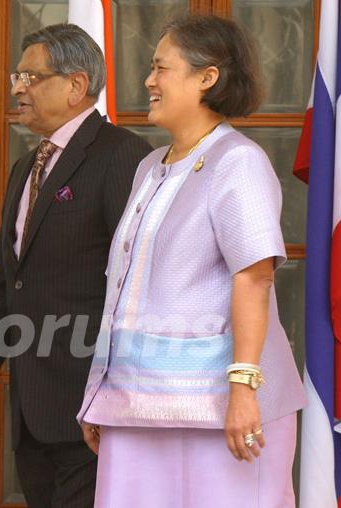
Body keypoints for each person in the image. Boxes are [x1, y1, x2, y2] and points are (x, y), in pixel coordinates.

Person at [77, 15, 307, 508]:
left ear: (208, 77)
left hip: (223, 411)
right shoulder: (149, 166)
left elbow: (255, 275)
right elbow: (125, 295)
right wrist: (100, 394)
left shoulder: (237, 162)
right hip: (136, 410)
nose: (149, 81)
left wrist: (244, 392)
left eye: (161, 67)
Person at [0, 23, 152, 506]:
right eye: (18, 76)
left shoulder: (123, 156)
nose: (18, 88)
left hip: (93, 407)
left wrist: (115, 394)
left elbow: (137, 284)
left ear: (76, 85)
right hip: (31, 410)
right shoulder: (25, 166)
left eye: (30, 77)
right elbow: (6, 279)